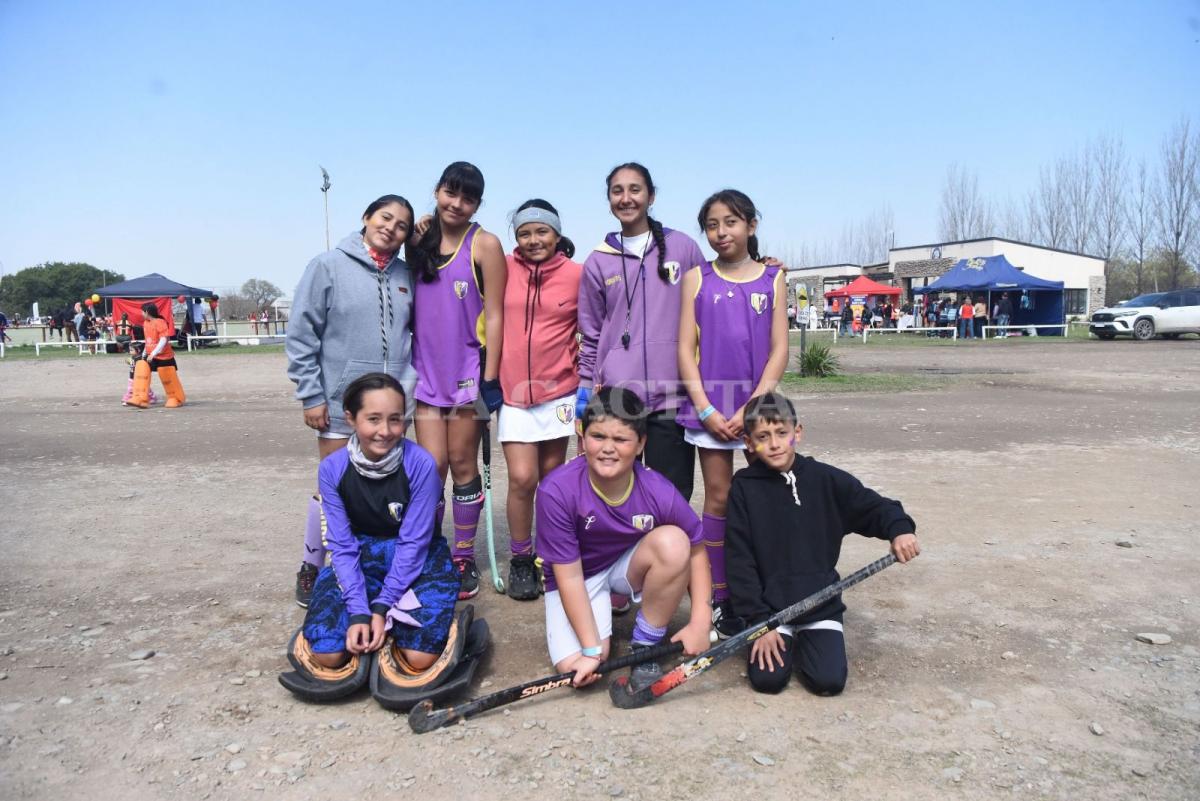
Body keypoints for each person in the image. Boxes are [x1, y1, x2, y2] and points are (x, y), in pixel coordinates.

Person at [726, 391, 920, 696]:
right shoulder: (743, 489)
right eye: (763, 436)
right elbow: (739, 560)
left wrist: (900, 529)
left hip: (820, 606)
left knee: (828, 682)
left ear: (797, 433)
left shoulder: (825, 480)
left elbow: (876, 506)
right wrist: (759, 622)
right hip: (770, 611)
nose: (775, 444)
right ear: (749, 443)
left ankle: (809, 641)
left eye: (782, 433)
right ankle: (774, 636)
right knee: (768, 681)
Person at [287, 193, 418, 607]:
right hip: (340, 402)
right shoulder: (326, 267)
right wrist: (312, 395)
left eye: (402, 225)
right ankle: (314, 564)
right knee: (335, 487)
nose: (391, 228)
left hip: (391, 407)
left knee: (381, 487)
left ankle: (375, 564)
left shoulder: (406, 275)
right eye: (385, 217)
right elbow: (301, 336)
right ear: (366, 217)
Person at [535, 387, 713, 690]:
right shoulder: (556, 491)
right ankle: (599, 620)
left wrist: (700, 620)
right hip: (579, 574)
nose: (608, 448)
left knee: (674, 542)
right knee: (581, 667)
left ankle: (646, 643)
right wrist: (591, 649)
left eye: (621, 439)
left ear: (641, 442)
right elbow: (569, 577)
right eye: (598, 437)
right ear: (581, 433)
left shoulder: (657, 489)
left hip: (624, 567)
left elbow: (696, 549)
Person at [677, 189, 789, 639]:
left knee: (765, 494)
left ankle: (768, 587)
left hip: (758, 411)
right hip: (710, 412)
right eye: (712, 224)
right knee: (718, 498)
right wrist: (705, 408)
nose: (721, 232)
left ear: (751, 225)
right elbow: (685, 349)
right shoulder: (695, 278)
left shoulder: (774, 278)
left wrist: (755, 406)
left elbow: (779, 350)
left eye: (731, 222)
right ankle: (721, 596)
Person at [298, 373, 459, 675]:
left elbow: (414, 542)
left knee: (419, 657)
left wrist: (383, 606)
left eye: (395, 420)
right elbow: (342, 546)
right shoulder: (332, 470)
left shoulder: (422, 465)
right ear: (351, 418)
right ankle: (375, 619)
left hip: (418, 558)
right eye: (373, 419)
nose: (385, 431)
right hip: (360, 555)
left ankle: (395, 624)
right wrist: (359, 611)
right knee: (328, 654)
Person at [577, 163, 708, 503]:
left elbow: (708, 306)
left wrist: (759, 262)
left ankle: (668, 556)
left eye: (635, 189)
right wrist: (586, 388)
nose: (626, 198)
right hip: (620, 398)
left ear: (651, 196)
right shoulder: (598, 261)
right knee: (616, 494)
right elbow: (591, 333)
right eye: (617, 191)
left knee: (671, 496)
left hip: (673, 395)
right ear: (608, 200)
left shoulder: (683, 247)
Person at [408, 162, 506, 600]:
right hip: (425, 374)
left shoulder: (484, 244)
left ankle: (462, 556)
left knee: (464, 465)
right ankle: (431, 551)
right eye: (451, 193)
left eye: (468, 198)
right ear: (437, 190)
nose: (457, 204)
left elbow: (497, 313)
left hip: (468, 374)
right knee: (431, 469)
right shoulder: (418, 239)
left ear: (477, 204)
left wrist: (490, 377)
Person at [497, 199, 582, 601]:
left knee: (551, 483)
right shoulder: (502, 268)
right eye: (525, 233)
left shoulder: (577, 274)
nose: (533, 240)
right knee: (522, 478)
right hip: (513, 392)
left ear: (557, 234)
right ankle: (519, 558)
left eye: (542, 231)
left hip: (560, 392)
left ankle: (549, 557)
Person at [130, 301, 185, 407]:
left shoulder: (160, 322)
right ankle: (140, 397)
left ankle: (175, 398)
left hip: (164, 356)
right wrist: (145, 353)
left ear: (146, 312)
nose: (141, 314)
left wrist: (154, 353)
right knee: (141, 370)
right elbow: (148, 340)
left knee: (167, 376)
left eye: (142, 311)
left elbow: (163, 339)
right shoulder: (146, 323)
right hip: (150, 354)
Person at [121, 341, 158, 406]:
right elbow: (133, 364)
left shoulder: (142, 358)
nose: (130, 352)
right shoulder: (133, 357)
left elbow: (148, 365)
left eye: (131, 350)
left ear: (138, 350)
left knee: (143, 388)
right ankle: (129, 398)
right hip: (132, 376)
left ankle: (128, 399)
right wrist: (129, 362)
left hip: (139, 377)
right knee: (131, 388)